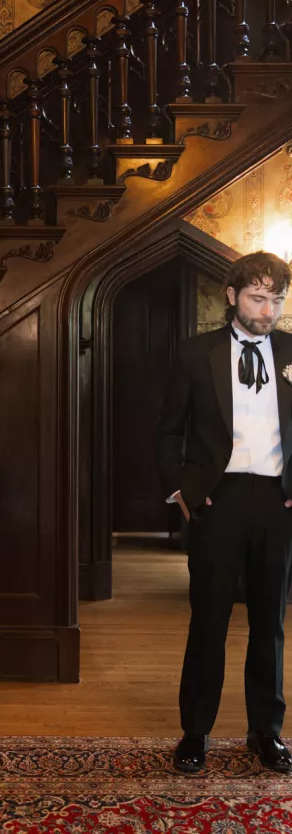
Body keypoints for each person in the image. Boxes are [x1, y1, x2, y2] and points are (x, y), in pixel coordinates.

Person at [157, 250, 292, 774]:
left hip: (278, 501)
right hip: (218, 499)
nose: (268, 311)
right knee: (209, 619)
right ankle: (195, 732)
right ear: (232, 295)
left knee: (270, 623)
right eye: (258, 298)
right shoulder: (196, 353)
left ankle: (267, 732)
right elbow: (168, 430)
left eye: (277, 300)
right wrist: (183, 492)